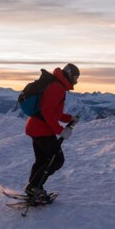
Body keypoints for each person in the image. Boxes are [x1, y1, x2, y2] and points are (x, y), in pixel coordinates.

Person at [24, 63, 80, 203]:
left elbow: (55, 112)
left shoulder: (56, 85)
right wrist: (60, 131)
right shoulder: (57, 88)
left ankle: (34, 189)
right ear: (68, 74)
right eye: (75, 77)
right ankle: (34, 187)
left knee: (42, 161)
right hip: (42, 130)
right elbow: (47, 112)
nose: (76, 81)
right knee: (57, 160)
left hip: (35, 128)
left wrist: (69, 118)